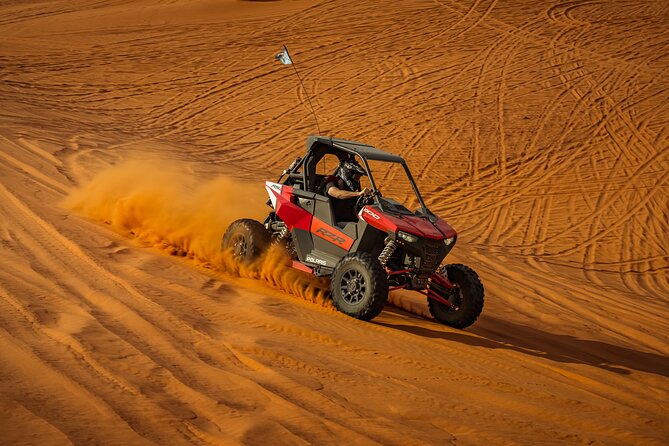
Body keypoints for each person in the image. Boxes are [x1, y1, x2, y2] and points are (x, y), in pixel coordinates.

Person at [324, 159, 371, 223]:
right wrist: (358, 193)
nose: (357, 181)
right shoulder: (331, 184)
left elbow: (354, 210)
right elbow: (338, 194)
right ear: (347, 174)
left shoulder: (351, 191)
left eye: (358, 178)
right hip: (335, 223)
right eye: (356, 177)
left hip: (349, 222)